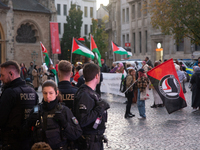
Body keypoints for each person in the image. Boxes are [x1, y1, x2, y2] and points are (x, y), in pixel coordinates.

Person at [26, 80, 82, 149]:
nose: (48, 96)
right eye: (45, 93)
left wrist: (65, 124)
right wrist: (29, 122)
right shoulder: (36, 109)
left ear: (56, 93)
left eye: (51, 93)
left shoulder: (64, 110)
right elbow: (24, 134)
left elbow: (77, 134)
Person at [0, 60, 38, 149]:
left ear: (11, 74)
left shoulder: (9, 93)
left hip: (11, 141)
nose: (0, 78)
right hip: (28, 140)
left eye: (2, 75)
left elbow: (1, 118)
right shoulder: (32, 92)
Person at [74, 63, 110, 150]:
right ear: (97, 76)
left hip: (94, 140)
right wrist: (99, 109)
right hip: (89, 143)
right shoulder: (85, 94)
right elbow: (83, 120)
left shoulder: (90, 92)